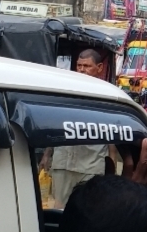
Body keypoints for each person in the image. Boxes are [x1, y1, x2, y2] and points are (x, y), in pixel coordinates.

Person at [42, 49, 119, 207]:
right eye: (79, 66)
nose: (82, 70)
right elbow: (56, 124)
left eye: (87, 66)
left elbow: (111, 137)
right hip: (63, 163)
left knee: (88, 209)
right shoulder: (65, 93)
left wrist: (112, 169)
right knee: (60, 208)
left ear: (99, 67)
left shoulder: (107, 96)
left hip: (91, 165)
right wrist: (46, 155)